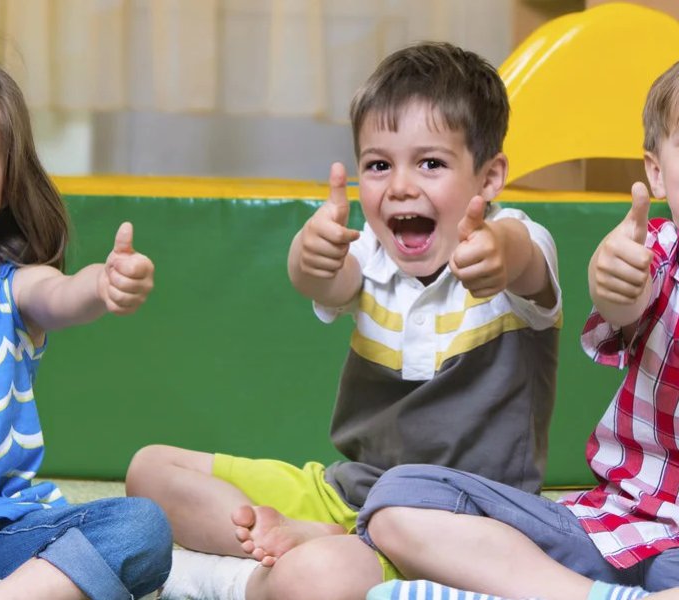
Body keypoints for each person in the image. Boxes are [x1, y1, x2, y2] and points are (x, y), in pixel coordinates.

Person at [125, 41, 562, 600]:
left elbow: (523, 260)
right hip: (352, 489)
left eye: (430, 163)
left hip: (456, 528)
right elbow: (323, 280)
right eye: (379, 165)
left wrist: (500, 253)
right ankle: (303, 540)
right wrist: (309, 255)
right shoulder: (371, 258)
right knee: (150, 470)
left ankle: (251, 573)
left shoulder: (520, 241)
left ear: (489, 178)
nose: (400, 185)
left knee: (313, 580)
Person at [357, 59, 679, 600]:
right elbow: (621, 297)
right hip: (611, 528)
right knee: (398, 500)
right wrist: (614, 282)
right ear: (657, 173)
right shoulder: (652, 253)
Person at [0, 47, 172, 600]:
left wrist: (102, 285)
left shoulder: (7, 288)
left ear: (6, 184)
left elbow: (60, 293)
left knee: (140, 528)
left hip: (3, 535)